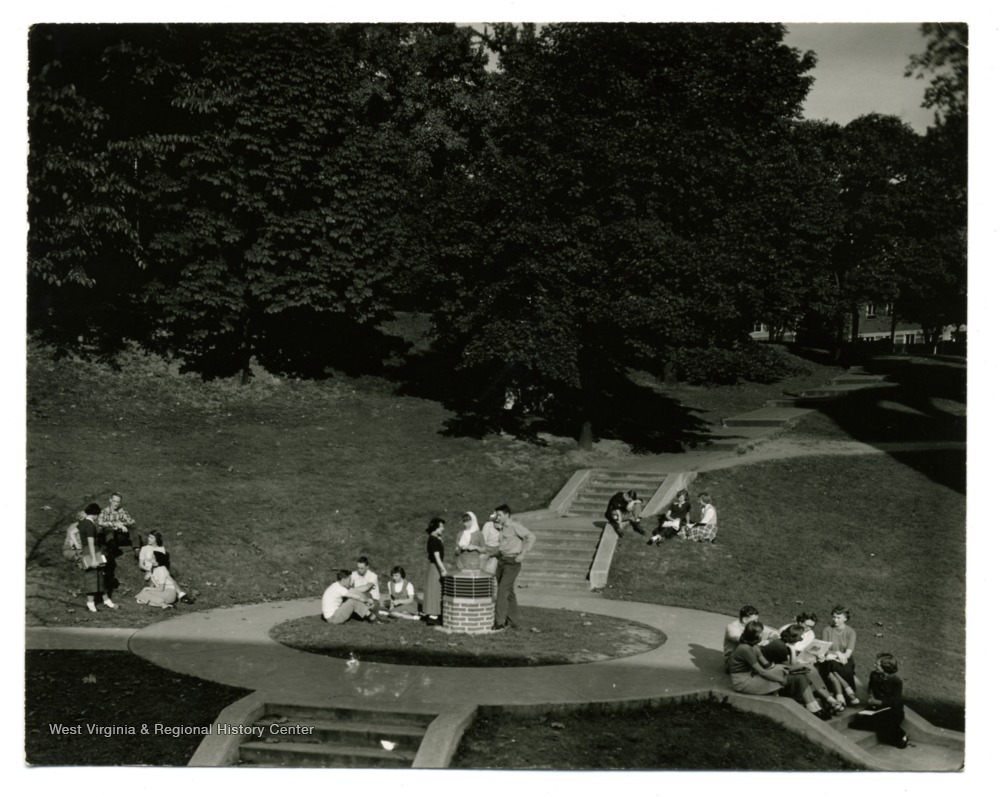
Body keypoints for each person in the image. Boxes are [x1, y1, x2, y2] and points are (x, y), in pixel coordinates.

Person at [729, 621, 829, 720]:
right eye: (761, 633)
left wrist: (779, 668)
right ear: (754, 635)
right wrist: (781, 679)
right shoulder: (745, 649)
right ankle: (813, 708)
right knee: (788, 672)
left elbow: (767, 665)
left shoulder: (753, 646)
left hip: (752, 676)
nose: (763, 635)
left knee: (799, 675)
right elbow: (762, 671)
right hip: (744, 683)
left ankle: (814, 707)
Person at [764, 627, 844, 715]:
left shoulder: (784, 644)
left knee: (810, 670)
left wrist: (792, 649)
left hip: (779, 670)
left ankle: (831, 701)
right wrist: (801, 663)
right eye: (801, 636)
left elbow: (791, 664)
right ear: (795, 636)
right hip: (773, 675)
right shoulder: (780, 647)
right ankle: (830, 701)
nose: (802, 638)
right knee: (809, 669)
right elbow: (789, 667)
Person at [849, 653, 909, 748]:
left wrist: (878, 702)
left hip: (892, 710)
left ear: (885, 667)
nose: (874, 666)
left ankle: (901, 736)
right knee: (856, 723)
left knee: (886, 727)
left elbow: (896, 701)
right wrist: (871, 696)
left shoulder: (896, 682)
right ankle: (884, 726)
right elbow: (871, 687)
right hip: (877, 708)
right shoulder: (874, 675)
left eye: (877, 664)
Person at [492, 504, 536, 630]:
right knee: (508, 592)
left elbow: (531, 537)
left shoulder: (514, 526)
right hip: (502, 560)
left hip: (512, 562)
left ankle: (500, 622)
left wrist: (523, 553)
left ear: (507, 515)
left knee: (501, 591)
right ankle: (513, 620)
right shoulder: (501, 528)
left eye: (499, 515)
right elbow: (504, 544)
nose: (497, 517)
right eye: (496, 515)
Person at [818, 605, 860, 710]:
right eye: (834, 617)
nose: (835, 620)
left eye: (838, 618)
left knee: (835, 669)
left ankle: (841, 698)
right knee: (832, 665)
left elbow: (848, 654)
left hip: (845, 659)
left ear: (845, 618)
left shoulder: (851, 632)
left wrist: (841, 656)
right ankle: (849, 691)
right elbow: (824, 649)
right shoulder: (827, 630)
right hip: (830, 657)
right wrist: (837, 652)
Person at [78, 503, 115, 613]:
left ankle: (106, 599)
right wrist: (94, 559)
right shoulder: (89, 525)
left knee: (99, 576)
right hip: (91, 551)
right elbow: (90, 542)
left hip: (89, 551)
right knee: (92, 578)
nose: (98, 516)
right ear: (95, 514)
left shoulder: (83, 522)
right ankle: (90, 603)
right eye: (97, 514)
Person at [138, 531, 192, 604]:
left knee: (167, 577)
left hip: (158, 569)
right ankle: (166, 597)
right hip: (148, 570)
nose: (149, 539)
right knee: (154, 584)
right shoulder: (144, 548)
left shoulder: (161, 549)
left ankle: (180, 595)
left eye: (151, 537)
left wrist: (156, 571)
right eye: (149, 537)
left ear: (156, 539)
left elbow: (161, 563)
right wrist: (149, 571)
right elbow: (141, 565)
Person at [723, 605, 779, 671]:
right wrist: (758, 642)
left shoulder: (753, 626)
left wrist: (769, 640)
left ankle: (763, 666)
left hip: (745, 657)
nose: (756, 622)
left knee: (768, 645)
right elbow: (741, 641)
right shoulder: (732, 627)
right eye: (754, 620)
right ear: (744, 619)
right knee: (750, 647)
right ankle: (763, 667)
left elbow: (775, 632)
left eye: (757, 620)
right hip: (733, 662)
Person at [98, 492, 139, 557]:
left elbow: (131, 521)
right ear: (110, 500)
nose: (116, 504)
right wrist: (115, 524)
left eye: (118, 502)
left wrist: (122, 524)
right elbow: (100, 523)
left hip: (120, 535)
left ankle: (137, 549)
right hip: (109, 536)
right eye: (114, 501)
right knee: (108, 529)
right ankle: (112, 550)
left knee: (132, 526)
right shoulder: (104, 511)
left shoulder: (122, 511)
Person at [423, 518, 448, 625]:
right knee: (435, 591)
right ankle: (433, 616)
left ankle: (434, 614)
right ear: (435, 528)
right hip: (435, 568)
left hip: (435, 567)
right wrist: (443, 569)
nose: (443, 528)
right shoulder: (433, 540)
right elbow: (437, 557)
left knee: (436, 590)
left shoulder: (435, 538)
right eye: (441, 526)